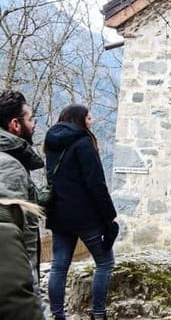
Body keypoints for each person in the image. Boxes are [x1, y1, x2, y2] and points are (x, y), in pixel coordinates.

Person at [44, 104, 118, 320]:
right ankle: (98, 313)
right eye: (89, 117)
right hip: (86, 216)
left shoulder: (50, 142)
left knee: (59, 267)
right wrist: (109, 217)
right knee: (105, 263)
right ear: (79, 119)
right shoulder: (83, 142)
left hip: (58, 214)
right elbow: (95, 183)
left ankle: (58, 315)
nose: (91, 120)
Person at [0, 90, 44, 305]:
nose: (34, 124)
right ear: (15, 125)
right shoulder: (9, 166)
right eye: (30, 119)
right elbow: (9, 238)